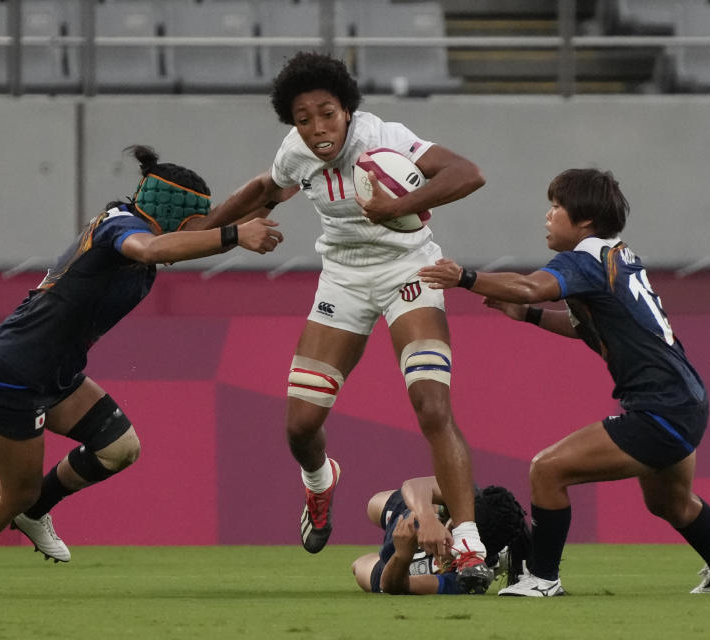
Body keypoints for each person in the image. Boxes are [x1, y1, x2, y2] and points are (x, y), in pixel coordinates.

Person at [0, 145, 284, 597]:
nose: (198, 233)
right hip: (10, 375)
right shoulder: (123, 228)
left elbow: (205, 228)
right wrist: (234, 235)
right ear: (170, 213)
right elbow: (158, 247)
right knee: (16, 491)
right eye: (192, 223)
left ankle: (36, 512)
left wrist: (279, 182)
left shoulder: (149, 226)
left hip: (55, 374)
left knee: (118, 449)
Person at [191, 51, 491, 591]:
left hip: (410, 269)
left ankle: (468, 541)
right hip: (343, 280)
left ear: (347, 109)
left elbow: (468, 173)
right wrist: (203, 231)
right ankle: (320, 479)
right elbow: (266, 190)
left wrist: (400, 204)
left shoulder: (385, 138)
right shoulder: (296, 152)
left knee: (431, 405)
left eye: (327, 112)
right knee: (300, 427)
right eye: (303, 118)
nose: (317, 128)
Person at [418, 168, 710, 596]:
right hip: (686, 399)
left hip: (661, 408)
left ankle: (542, 579)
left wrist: (464, 277)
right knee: (668, 502)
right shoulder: (617, 256)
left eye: (556, 206)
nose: (547, 215)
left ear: (585, 222)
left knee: (547, 470)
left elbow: (527, 286)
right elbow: (591, 328)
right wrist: (531, 317)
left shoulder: (583, 259)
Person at [351, 476, 529, 595]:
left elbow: (394, 586)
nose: (450, 533)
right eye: (454, 526)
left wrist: (402, 555)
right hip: (405, 513)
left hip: (400, 565)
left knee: (358, 566)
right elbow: (415, 485)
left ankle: (494, 560)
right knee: (373, 504)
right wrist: (427, 517)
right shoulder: (465, 494)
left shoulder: (463, 581)